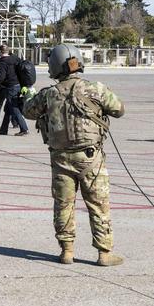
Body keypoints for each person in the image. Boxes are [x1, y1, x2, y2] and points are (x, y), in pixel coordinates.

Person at [22, 44, 125, 266]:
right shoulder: (95, 88)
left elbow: (28, 111)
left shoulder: (49, 94)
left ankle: (67, 251)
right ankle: (104, 253)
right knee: (98, 205)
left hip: (61, 159)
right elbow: (118, 109)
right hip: (91, 159)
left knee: (63, 205)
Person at [0, 45, 29, 136]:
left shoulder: (3, 62)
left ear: (0, 52)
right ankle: (3, 129)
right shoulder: (15, 58)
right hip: (18, 85)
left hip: (11, 87)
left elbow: (1, 78)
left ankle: (24, 129)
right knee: (8, 109)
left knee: (14, 108)